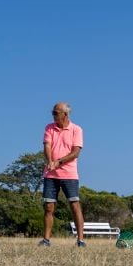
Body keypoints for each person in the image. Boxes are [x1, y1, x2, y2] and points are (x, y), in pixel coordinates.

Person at [39, 102, 85, 247]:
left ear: (65, 114)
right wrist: (50, 161)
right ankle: (46, 239)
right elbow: (47, 145)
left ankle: (81, 240)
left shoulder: (76, 129)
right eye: (52, 113)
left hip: (69, 175)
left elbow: (75, 152)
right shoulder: (49, 128)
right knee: (48, 207)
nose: (53, 115)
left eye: (55, 113)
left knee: (74, 205)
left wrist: (58, 162)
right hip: (50, 175)